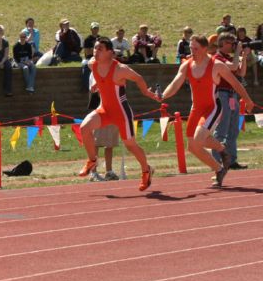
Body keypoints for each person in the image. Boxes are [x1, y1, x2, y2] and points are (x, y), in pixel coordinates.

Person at [160, 34, 253, 188]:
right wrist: (162, 95)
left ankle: (223, 154)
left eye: (195, 48)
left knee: (199, 139)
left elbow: (236, 84)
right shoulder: (186, 65)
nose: (192, 51)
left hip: (212, 108)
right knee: (192, 146)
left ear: (205, 49)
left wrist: (248, 100)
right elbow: (175, 84)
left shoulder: (216, 65)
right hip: (196, 108)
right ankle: (220, 165)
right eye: (190, 48)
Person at [77, 38, 160, 191]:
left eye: (100, 49)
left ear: (110, 52)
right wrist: (97, 83)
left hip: (121, 113)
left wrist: (146, 92)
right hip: (104, 110)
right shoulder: (91, 64)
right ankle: (92, 160)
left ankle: (146, 170)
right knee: (84, 128)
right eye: (95, 48)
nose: (95, 51)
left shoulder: (120, 69)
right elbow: (100, 77)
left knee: (131, 145)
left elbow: (138, 78)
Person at [210, 32, 249, 171]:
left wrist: (243, 57)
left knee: (233, 129)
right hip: (222, 95)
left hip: (232, 95)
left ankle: (231, 160)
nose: (233, 45)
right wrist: (238, 51)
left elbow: (241, 73)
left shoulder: (230, 58)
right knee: (222, 129)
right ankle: (216, 161)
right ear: (222, 43)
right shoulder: (217, 57)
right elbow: (232, 67)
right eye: (231, 43)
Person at [86, 72, 120, 182]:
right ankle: (93, 172)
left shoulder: (116, 68)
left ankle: (109, 171)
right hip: (100, 110)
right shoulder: (96, 71)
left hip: (113, 109)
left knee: (110, 143)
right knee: (96, 143)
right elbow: (96, 90)